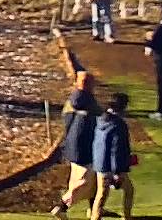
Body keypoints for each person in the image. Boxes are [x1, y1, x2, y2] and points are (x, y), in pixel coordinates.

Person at [51, 72, 102, 219]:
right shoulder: (83, 100)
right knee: (84, 182)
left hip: (74, 147)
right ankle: (61, 206)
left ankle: (95, 209)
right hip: (82, 149)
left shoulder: (76, 99)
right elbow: (95, 117)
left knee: (92, 182)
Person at [90, 92, 134, 220]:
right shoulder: (119, 125)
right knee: (128, 191)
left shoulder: (100, 120)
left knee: (101, 194)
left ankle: (95, 217)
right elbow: (116, 150)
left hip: (99, 163)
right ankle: (127, 216)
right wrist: (117, 172)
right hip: (112, 167)